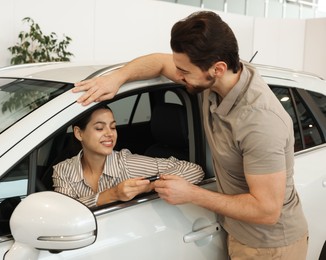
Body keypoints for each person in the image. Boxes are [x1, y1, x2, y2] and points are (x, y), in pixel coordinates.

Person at [72, 11, 308, 260]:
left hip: (270, 247)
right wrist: (117, 78)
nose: (178, 76)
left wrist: (191, 194)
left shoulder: (260, 122)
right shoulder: (212, 79)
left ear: (217, 69)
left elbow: (267, 210)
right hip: (238, 232)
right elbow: (160, 63)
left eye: (184, 71)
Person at [52, 104, 204, 208]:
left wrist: (148, 186)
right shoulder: (63, 170)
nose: (109, 134)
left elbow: (193, 170)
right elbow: (64, 214)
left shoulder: (125, 163)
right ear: (79, 133)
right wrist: (112, 195)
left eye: (113, 127)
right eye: (99, 128)